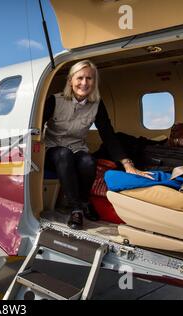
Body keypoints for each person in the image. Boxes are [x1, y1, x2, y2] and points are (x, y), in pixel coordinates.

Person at [43, 60, 152, 229]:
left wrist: (127, 164)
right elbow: (34, 126)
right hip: (52, 150)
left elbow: (108, 135)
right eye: (80, 78)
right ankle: (76, 209)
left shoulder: (97, 104)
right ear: (70, 80)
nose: (84, 83)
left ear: (94, 82)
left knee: (89, 161)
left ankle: (85, 200)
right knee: (63, 154)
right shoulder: (54, 101)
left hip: (77, 148)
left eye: (89, 78)